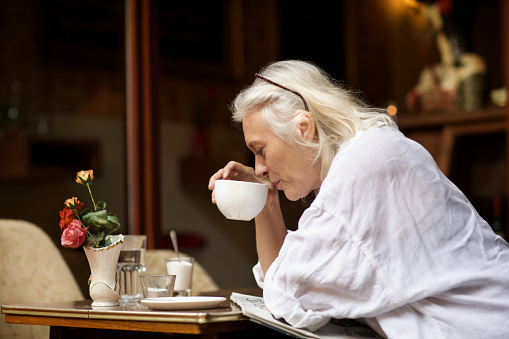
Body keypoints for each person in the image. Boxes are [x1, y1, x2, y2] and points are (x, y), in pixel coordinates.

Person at [208, 60, 509, 338]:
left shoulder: (366, 161)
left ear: (304, 128)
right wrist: (266, 198)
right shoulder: (368, 150)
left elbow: (288, 292)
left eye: (260, 149)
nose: (259, 167)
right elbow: (287, 282)